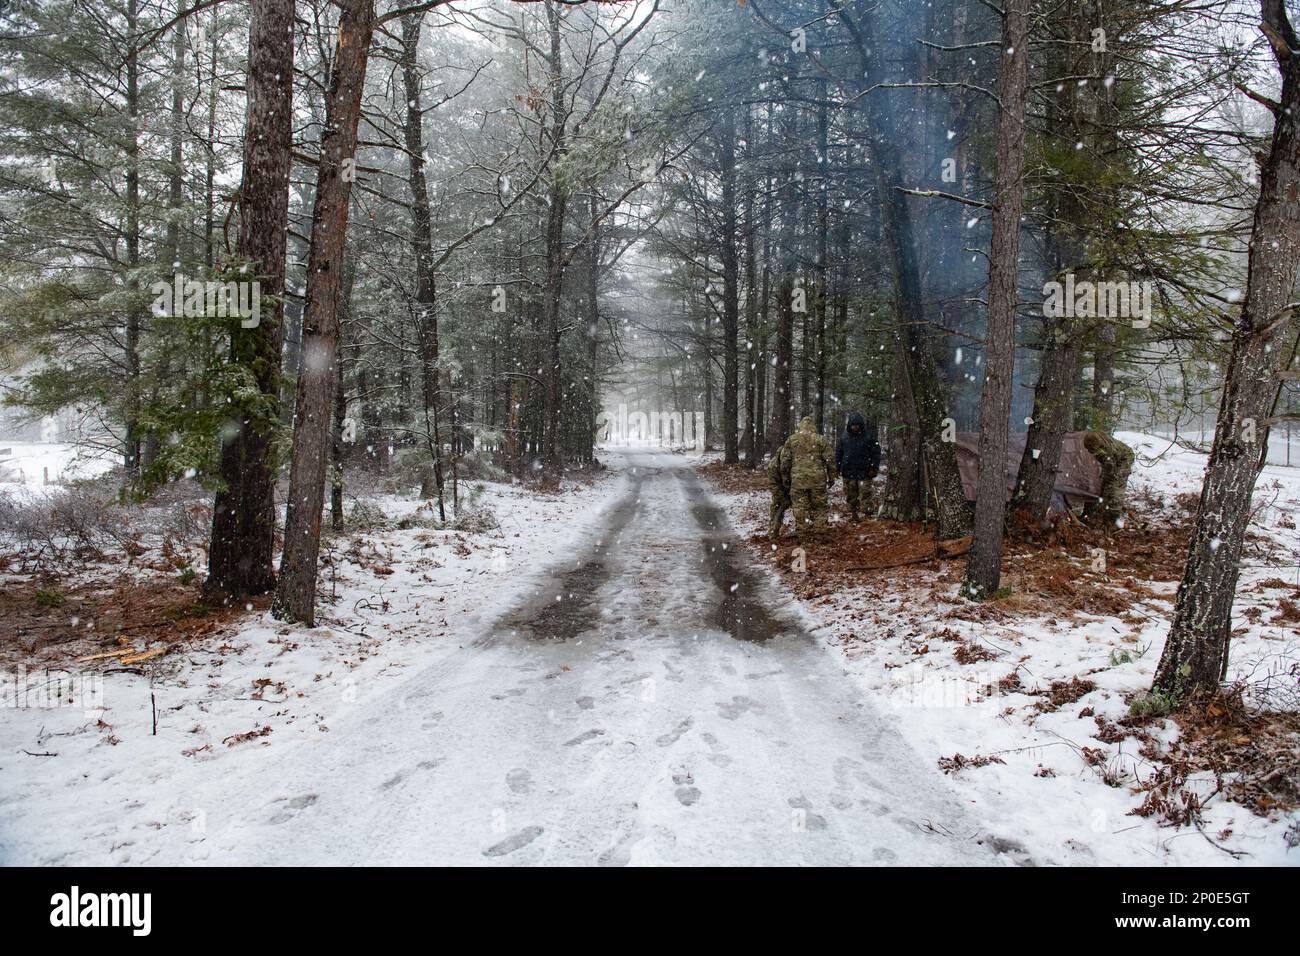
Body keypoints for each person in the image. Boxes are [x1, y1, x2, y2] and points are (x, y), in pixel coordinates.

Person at [780, 416, 836, 536]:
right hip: (818, 480)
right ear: (813, 426)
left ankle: (802, 531)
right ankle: (820, 531)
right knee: (820, 506)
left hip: (798, 480)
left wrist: (786, 479)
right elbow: (830, 460)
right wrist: (831, 477)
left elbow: (785, 462)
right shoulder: (821, 439)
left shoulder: (792, 440)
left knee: (800, 507)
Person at [834, 411, 882, 521]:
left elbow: (876, 454)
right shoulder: (844, 437)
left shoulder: (869, 437)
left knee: (865, 493)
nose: (855, 427)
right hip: (848, 471)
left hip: (864, 471)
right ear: (849, 425)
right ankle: (854, 514)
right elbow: (839, 453)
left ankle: (867, 515)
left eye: (857, 425)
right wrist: (837, 466)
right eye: (853, 425)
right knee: (851, 494)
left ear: (861, 425)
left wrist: (873, 468)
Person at [766, 443, 792, 537]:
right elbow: (774, 486)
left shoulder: (793, 461)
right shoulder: (773, 466)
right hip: (780, 488)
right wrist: (783, 499)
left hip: (793, 487)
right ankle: (774, 530)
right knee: (777, 506)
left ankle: (805, 529)